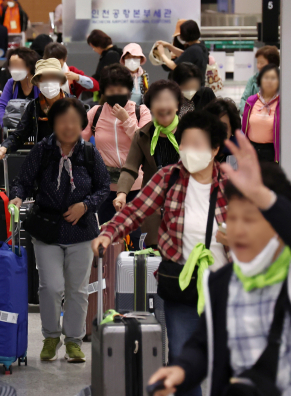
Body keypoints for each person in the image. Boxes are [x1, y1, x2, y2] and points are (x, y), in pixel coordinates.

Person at [148, 133, 291, 396]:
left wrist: (263, 195)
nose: (238, 229)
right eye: (234, 218)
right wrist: (182, 371)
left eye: (251, 219)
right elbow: (204, 345)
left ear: (277, 223)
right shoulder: (223, 283)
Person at [93, 111, 230, 396]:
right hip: (180, 284)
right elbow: (135, 210)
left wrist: (240, 238)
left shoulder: (231, 183)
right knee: (182, 361)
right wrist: (109, 232)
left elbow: (261, 230)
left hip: (224, 289)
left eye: (200, 144)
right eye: (187, 143)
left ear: (215, 149)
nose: (191, 151)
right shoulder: (169, 177)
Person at [10, 98, 110, 363]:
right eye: (62, 121)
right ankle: (51, 336)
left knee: (77, 290)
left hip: (82, 231)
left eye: (74, 122)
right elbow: (23, 181)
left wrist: (85, 206)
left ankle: (74, 341)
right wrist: (17, 197)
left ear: (81, 125)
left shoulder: (89, 153)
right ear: (53, 123)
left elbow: (103, 187)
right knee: (51, 287)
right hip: (47, 229)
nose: (68, 127)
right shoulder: (43, 150)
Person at [112, 80, 182, 248]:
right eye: (158, 101)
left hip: (184, 204)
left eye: (168, 100)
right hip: (153, 206)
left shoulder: (189, 132)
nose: (163, 106)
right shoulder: (142, 135)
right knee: (154, 253)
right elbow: (130, 168)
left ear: (177, 105)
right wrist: (121, 193)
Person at [81, 63, 152, 226]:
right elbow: (79, 142)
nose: (116, 94)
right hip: (105, 189)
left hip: (136, 187)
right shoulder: (95, 113)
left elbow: (145, 144)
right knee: (108, 236)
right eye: (111, 91)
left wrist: (126, 119)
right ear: (104, 91)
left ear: (129, 90)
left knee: (135, 238)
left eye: (120, 90)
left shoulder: (142, 112)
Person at [0, 58, 69, 158]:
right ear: (37, 84)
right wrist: (5, 147)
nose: (48, 82)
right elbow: (20, 134)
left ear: (60, 81)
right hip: (43, 161)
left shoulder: (73, 106)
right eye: (44, 79)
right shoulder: (34, 107)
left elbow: (83, 136)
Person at [241, 63, 280, 163]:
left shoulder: (282, 103)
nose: (269, 81)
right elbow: (244, 128)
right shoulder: (251, 101)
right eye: (266, 77)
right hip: (252, 151)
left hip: (272, 153)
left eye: (273, 78)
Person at [0, 47, 41, 129]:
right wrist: (5, 124)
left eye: (18, 66)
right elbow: (1, 106)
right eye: (12, 66)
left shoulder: (40, 84)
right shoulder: (11, 83)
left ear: (30, 66)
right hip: (15, 130)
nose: (14, 70)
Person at [239, 45, 280, 111]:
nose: (258, 66)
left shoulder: (283, 81)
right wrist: (248, 114)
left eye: (262, 63)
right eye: (258, 62)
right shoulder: (253, 80)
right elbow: (244, 100)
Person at [203, 98, 241, 162]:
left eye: (223, 127)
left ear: (232, 131)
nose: (217, 131)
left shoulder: (238, 160)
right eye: (213, 125)